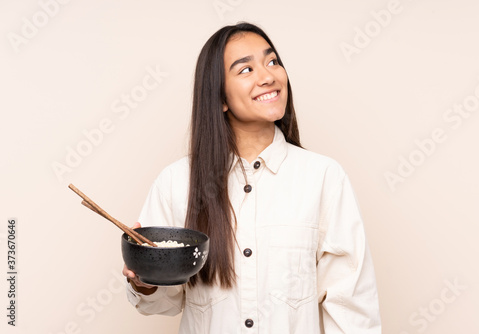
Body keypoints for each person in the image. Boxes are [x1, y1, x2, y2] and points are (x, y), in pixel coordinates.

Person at [123, 22, 381, 333]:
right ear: (220, 98)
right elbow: (164, 302)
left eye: (272, 62)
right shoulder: (176, 183)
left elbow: (351, 306)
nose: (268, 76)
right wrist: (145, 279)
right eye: (245, 70)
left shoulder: (323, 177)